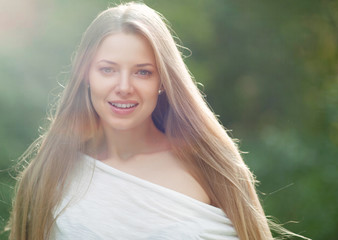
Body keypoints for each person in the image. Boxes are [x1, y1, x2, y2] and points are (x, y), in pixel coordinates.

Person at [7, 2, 307, 240]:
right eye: (108, 69)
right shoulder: (49, 174)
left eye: (142, 72)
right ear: (86, 76)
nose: (124, 86)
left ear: (162, 80)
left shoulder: (212, 165)